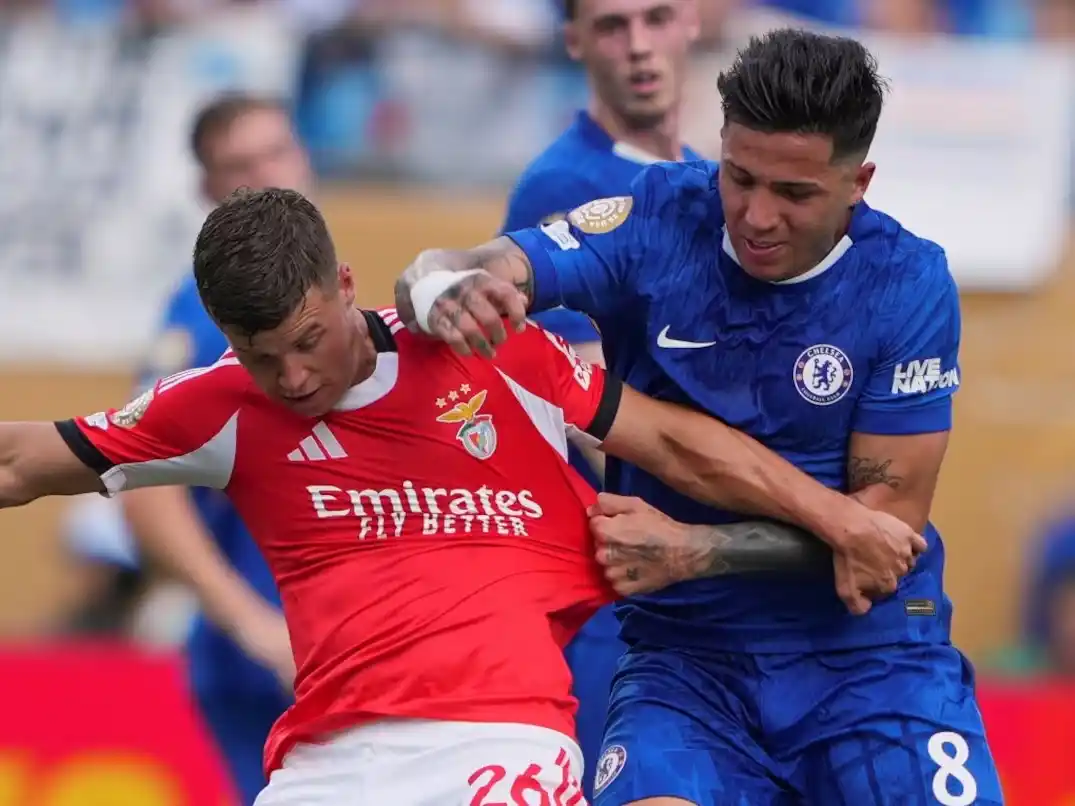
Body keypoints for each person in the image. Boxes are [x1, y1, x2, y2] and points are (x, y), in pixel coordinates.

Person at [0, 187, 924, 804]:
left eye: (306, 338)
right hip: (325, 765)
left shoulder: (489, 353)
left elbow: (676, 445)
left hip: (500, 745)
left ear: (345, 287)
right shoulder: (216, 407)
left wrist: (838, 516)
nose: (287, 375)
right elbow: (22, 460)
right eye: (257, 351)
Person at [394, 28, 1005, 806]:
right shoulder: (658, 217)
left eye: (793, 194)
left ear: (858, 182)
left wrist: (695, 549)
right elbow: (470, 264)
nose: (754, 215)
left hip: (869, 659)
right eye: (738, 176)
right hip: (687, 663)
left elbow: (880, 534)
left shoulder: (906, 285)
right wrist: (436, 283)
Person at [499, 0, 706, 790]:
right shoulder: (566, 186)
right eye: (613, 26)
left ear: (690, 20)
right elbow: (587, 410)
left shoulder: (702, 178)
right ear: (575, 41)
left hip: (691, 571)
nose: (638, 46)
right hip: (614, 587)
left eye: (655, 18)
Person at [120, 93, 314, 805]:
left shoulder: (324, 300)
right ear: (206, 190)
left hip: (345, 646)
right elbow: (144, 489)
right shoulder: (204, 326)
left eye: (277, 153)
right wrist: (253, 626)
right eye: (240, 166)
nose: (267, 178)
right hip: (269, 662)